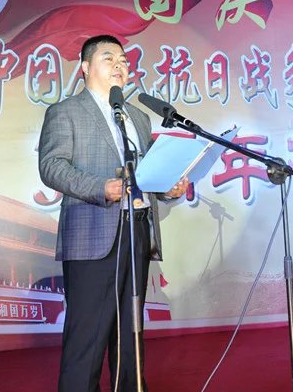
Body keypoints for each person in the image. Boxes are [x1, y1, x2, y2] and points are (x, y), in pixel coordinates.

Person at [38, 34, 188, 392]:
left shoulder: (137, 117)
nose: (120, 66)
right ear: (85, 67)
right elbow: (51, 167)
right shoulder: (65, 112)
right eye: (109, 59)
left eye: (123, 61)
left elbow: (146, 174)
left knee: (130, 332)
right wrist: (100, 187)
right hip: (92, 233)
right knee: (87, 336)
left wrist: (167, 189)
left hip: (137, 230)